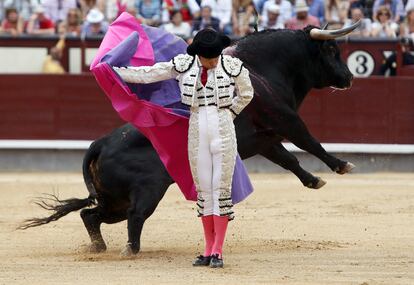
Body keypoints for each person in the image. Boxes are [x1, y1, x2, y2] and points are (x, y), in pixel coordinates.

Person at [112, 28, 254, 268]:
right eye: (209, 57)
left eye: (216, 56)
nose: (213, 61)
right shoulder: (183, 64)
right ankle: (208, 249)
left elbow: (247, 93)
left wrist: (230, 113)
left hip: (223, 128)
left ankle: (218, 251)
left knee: (220, 191)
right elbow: (149, 74)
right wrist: (116, 73)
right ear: (198, 54)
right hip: (197, 127)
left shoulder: (231, 65)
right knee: (205, 191)